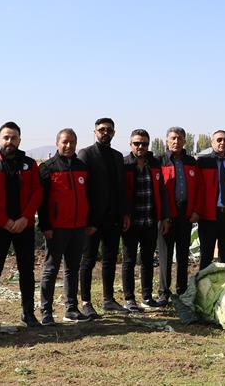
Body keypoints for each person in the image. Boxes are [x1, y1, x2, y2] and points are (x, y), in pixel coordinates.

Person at [0, 122, 43, 337]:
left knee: (27, 272)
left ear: (19, 141)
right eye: (6, 137)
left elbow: (37, 193)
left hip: (24, 226)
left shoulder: (30, 165)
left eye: (13, 138)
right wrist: (4, 221)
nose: (9, 141)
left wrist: (25, 218)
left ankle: (28, 314)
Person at [77, 117, 131, 318]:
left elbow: (122, 188)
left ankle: (108, 300)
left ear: (114, 133)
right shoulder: (86, 154)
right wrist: (87, 219)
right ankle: (86, 301)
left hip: (114, 218)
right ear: (95, 131)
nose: (105, 132)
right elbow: (82, 189)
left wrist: (125, 213)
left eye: (109, 130)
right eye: (101, 129)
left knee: (109, 259)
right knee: (88, 260)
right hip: (93, 219)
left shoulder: (117, 157)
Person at [38, 128, 91, 325]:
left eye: (72, 142)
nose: (68, 146)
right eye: (65, 142)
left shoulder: (82, 167)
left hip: (78, 227)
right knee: (51, 269)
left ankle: (71, 308)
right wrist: (45, 226)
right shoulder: (47, 168)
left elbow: (88, 197)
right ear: (57, 143)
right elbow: (42, 202)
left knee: (72, 269)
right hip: (56, 228)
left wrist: (88, 222)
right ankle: (46, 311)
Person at [121, 129, 171, 311]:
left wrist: (164, 217)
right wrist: (124, 214)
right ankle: (129, 299)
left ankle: (147, 297)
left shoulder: (155, 164)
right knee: (129, 260)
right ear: (131, 145)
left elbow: (163, 192)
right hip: (131, 222)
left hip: (150, 220)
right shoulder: (125, 164)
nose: (140, 147)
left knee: (148, 260)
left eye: (144, 144)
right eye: (137, 143)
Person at [157, 127, 201, 305]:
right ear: (167, 141)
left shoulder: (191, 162)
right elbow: (158, 192)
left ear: (184, 141)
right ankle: (163, 292)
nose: (176, 142)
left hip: (185, 214)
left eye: (180, 138)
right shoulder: (160, 161)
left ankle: (181, 290)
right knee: (165, 254)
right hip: (167, 214)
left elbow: (198, 188)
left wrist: (196, 210)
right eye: (173, 138)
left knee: (183, 254)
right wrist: (163, 216)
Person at [196, 130, 225, 267]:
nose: (223, 143)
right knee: (206, 254)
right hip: (209, 216)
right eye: (219, 140)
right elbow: (199, 188)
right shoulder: (203, 161)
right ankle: (203, 286)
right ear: (212, 143)